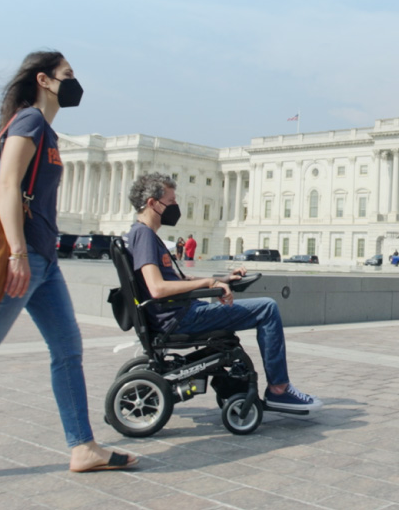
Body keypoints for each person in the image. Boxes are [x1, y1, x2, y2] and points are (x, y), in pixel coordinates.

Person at [0, 51, 137, 473]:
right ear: (44, 80)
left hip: (45, 261)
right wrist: (17, 253)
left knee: (68, 349)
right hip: (25, 260)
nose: (74, 83)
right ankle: (82, 444)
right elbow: (7, 185)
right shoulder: (29, 122)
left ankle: (83, 447)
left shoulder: (46, 131)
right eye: (68, 75)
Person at [126, 172, 321, 414]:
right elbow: (157, 288)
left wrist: (220, 280)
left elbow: (178, 280)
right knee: (267, 308)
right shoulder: (144, 235)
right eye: (172, 201)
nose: (176, 207)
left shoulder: (143, 234)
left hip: (176, 313)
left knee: (255, 311)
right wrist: (208, 283)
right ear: (153, 203)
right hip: (179, 317)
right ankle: (279, 389)